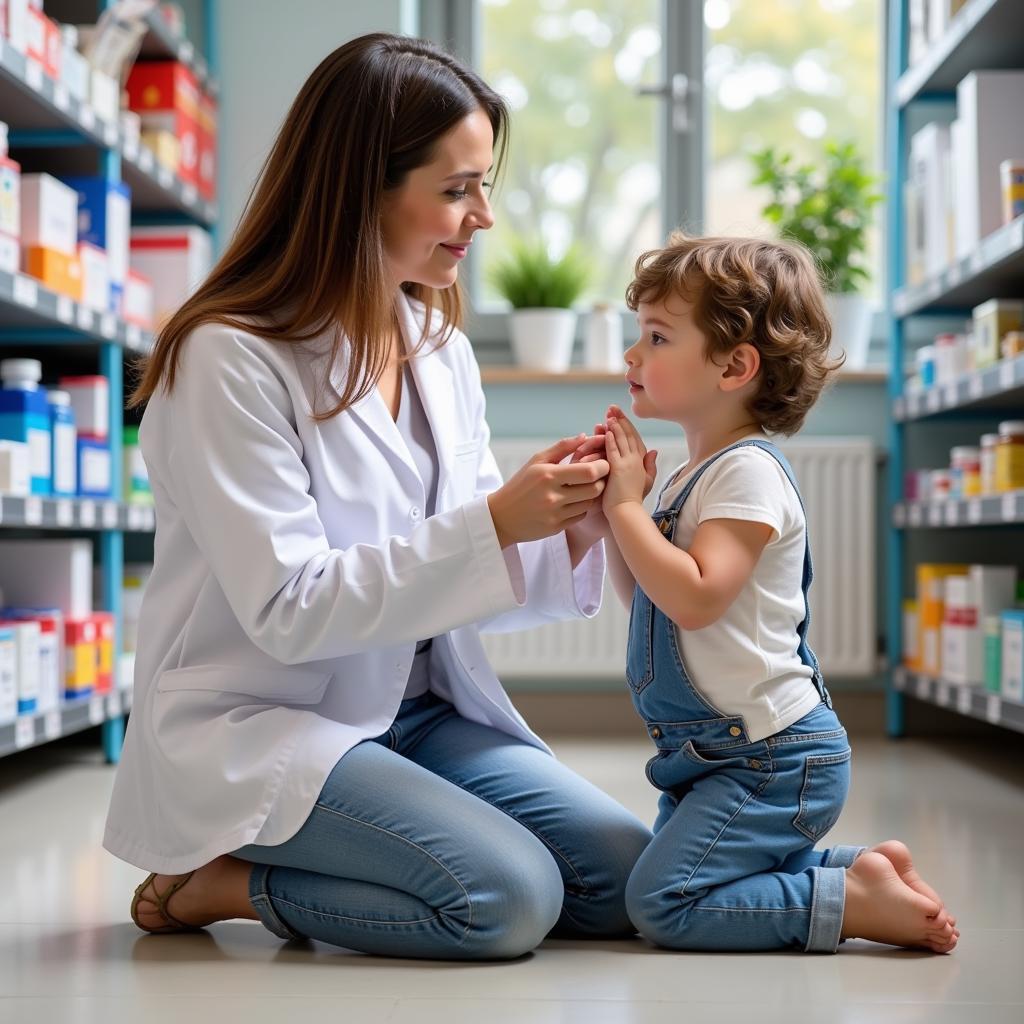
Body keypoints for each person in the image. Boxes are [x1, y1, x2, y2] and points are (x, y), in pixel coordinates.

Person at [107, 32, 651, 960]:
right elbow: (288, 608)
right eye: (454, 188)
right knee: (506, 898)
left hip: (419, 712)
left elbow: (466, 577)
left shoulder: (440, 348)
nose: (482, 215)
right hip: (268, 719)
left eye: (485, 185)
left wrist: (563, 522)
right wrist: (492, 525)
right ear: (360, 186)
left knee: (625, 879)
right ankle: (224, 883)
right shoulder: (229, 356)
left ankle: (370, 835)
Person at [573, 233, 959, 954]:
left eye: (656, 337)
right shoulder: (696, 475)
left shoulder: (746, 473)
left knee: (662, 904)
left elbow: (696, 597)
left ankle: (849, 903)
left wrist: (630, 510)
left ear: (736, 365)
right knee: (676, 882)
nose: (632, 357)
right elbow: (657, 607)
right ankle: (860, 871)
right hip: (717, 759)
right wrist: (613, 523)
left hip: (773, 760)